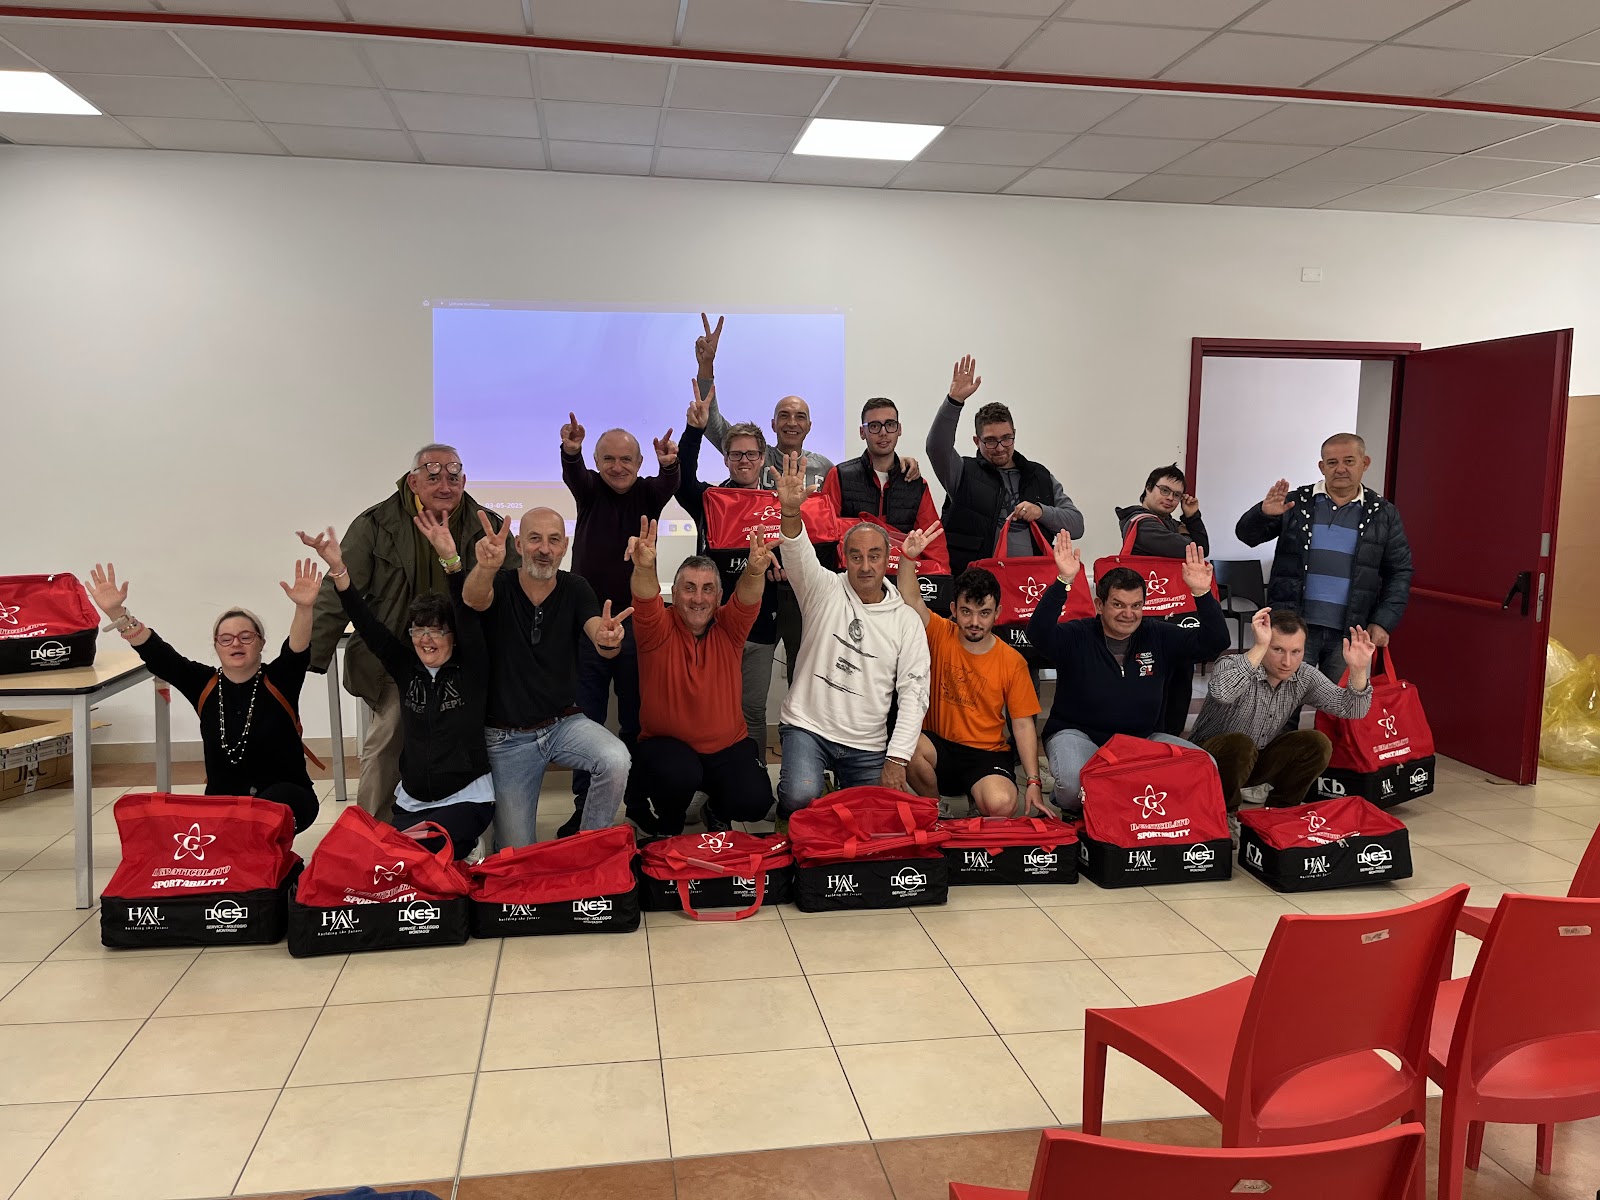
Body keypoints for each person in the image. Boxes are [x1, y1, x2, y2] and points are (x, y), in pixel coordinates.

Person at [309, 445, 514, 823]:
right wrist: (308, 657)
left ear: (464, 481)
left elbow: (515, 597)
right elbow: (339, 594)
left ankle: (485, 827)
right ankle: (371, 833)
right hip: (401, 661)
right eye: (433, 477)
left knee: (491, 737)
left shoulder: (487, 525)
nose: (444, 485)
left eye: (453, 477)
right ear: (414, 481)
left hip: (470, 661)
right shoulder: (376, 524)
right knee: (389, 737)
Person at [300, 519, 493, 860]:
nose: (426, 639)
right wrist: (339, 570)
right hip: (414, 801)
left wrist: (451, 561)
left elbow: (466, 615)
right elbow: (366, 622)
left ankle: (460, 849)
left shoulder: (472, 669)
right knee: (384, 856)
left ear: (453, 636)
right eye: (418, 631)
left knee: (426, 849)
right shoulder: (406, 668)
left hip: (465, 798)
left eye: (436, 631)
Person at [87, 559, 322, 832]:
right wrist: (117, 613)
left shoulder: (280, 679)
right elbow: (159, 655)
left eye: (246, 636)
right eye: (226, 638)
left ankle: (268, 853)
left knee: (266, 813)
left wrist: (304, 608)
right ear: (216, 646)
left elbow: (296, 650)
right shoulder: (204, 684)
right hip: (224, 807)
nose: (236, 643)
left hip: (286, 799)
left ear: (261, 643)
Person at [462, 508, 633, 848]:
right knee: (514, 852)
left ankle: (590, 848)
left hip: (562, 724)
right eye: (535, 539)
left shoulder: (575, 587)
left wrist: (608, 639)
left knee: (615, 759)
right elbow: (473, 599)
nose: (544, 549)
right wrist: (485, 567)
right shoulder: (499, 583)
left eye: (554, 540)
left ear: (565, 546)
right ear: (518, 544)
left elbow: (599, 636)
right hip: (507, 738)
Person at [773, 451, 930, 819]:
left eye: (874, 556)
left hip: (866, 743)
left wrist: (896, 758)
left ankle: (837, 795)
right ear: (844, 558)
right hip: (808, 728)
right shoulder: (823, 588)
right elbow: (796, 552)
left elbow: (915, 693)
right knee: (800, 795)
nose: (865, 566)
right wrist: (791, 512)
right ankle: (805, 798)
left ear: (888, 559)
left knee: (875, 820)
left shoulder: (906, 621)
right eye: (856, 556)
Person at [1027, 535, 1230, 818]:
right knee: (1073, 787)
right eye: (1119, 605)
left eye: (1136, 605)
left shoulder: (1158, 634)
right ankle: (1077, 805)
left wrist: (1201, 593)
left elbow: (1216, 642)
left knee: (1205, 764)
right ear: (1100, 605)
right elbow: (1038, 634)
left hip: (1142, 739)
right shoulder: (1077, 634)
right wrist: (1063, 581)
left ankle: (1128, 805)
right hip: (1078, 735)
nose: (1128, 614)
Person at [695, 314, 836, 687]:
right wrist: (706, 367)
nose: (792, 422)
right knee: (745, 681)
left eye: (800, 416)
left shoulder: (825, 468)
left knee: (806, 678)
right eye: (784, 416)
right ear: (773, 425)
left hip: (805, 588)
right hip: (761, 584)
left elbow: (832, 526)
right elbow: (713, 422)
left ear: (809, 425)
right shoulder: (756, 456)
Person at [561, 410, 680, 836]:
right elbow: (575, 475)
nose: (617, 467)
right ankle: (584, 807)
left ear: (639, 463)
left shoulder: (648, 493)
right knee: (585, 722)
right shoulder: (589, 489)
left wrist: (670, 464)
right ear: (597, 462)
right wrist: (571, 452)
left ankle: (636, 802)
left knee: (637, 721)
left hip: (639, 626)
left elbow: (669, 484)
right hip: (587, 625)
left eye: (626, 459)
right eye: (608, 459)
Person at [622, 517, 777, 835]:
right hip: (667, 751)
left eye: (708, 590)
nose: (698, 598)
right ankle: (669, 823)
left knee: (755, 801)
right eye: (689, 588)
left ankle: (715, 808)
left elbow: (748, 597)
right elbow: (645, 595)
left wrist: (754, 571)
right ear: (674, 593)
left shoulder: (730, 627)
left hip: (727, 748)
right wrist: (644, 568)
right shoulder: (656, 627)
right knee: (679, 774)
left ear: (719, 597)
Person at [896, 524, 1048, 818]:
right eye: (966, 611)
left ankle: (979, 798)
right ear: (953, 609)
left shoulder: (1012, 661)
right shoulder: (939, 632)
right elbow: (911, 598)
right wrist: (908, 558)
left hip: (986, 755)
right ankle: (934, 809)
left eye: (984, 613)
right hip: (938, 749)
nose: (975, 622)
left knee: (1002, 805)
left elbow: (1022, 725)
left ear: (997, 614)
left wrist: (1033, 781)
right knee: (907, 746)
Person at [1235, 433, 1413, 681]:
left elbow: (1399, 572)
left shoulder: (1383, 513)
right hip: (1292, 628)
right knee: (1283, 698)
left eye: (1349, 461)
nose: (1340, 469)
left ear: (1365, 463)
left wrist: (1383, 621)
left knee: (1339, 702)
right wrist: (1264, 515)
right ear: (1321, 467)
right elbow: (1247, 536)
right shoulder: (1296, 503)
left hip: (1351, 631)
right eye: (1332, 462)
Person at [676, 382, 782, 763]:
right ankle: (707, 781)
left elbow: (799, 550)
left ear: (763, 457)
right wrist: (694, 431)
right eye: (736, 454)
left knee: (752, 709)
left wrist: (787, 569)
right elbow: (682, 479)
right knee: (707, 706)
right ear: (725, 459)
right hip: (712, 624)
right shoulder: (709, 500)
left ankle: (751, 771)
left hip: (760, 626)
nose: (744, 461)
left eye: (751, 454)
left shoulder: (779, 503)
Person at [1191, 609, 1375, 813]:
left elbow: (1351, 709)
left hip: (1256, 759)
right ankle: (1225, 814)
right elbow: (1223, 693)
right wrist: (1259, 647)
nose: (1287, 662)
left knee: (1317, 743)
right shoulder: (1231, 664)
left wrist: (1358, 670)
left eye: (1295, 652)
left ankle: (1281, 813)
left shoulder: (1304, 676)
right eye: (1277, 649)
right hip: (1206, 760)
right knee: (1241, 744)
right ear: (1263, 642)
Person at [926, 355, 1084, 577]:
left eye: (1006, 438)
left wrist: (1041, 512)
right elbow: (936, 447)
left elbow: (1076, 525)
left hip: (1031, 584)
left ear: (1014, 434)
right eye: (991, 441)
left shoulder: (1038, 475)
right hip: (976, 584)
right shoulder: (963, 472)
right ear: (976, 441)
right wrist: (954, 402)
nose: (1000, 447)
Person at [1115, 462, 1213, 737]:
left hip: (1174, 616)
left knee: (1179, 682)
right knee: (1154, 687)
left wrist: (1192, 516)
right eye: (1164, 490)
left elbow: (1200, 548)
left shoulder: (1169, 524)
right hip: (1149, 621)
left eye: (1177, 495)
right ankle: (1153, 744)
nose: (1170, 498)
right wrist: (1188, 530)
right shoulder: (1141, 523)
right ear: (1148, 489)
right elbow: (1195, 549)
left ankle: (1170, 742)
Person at [819, 396, 940, 539]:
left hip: (904, 555)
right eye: (874, 426)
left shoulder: (916, 484)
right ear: (862, 432)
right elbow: (825, 533)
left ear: (899, 429)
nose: (883, 432)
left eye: (890, 424)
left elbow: (934, 544)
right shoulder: (840, 476)